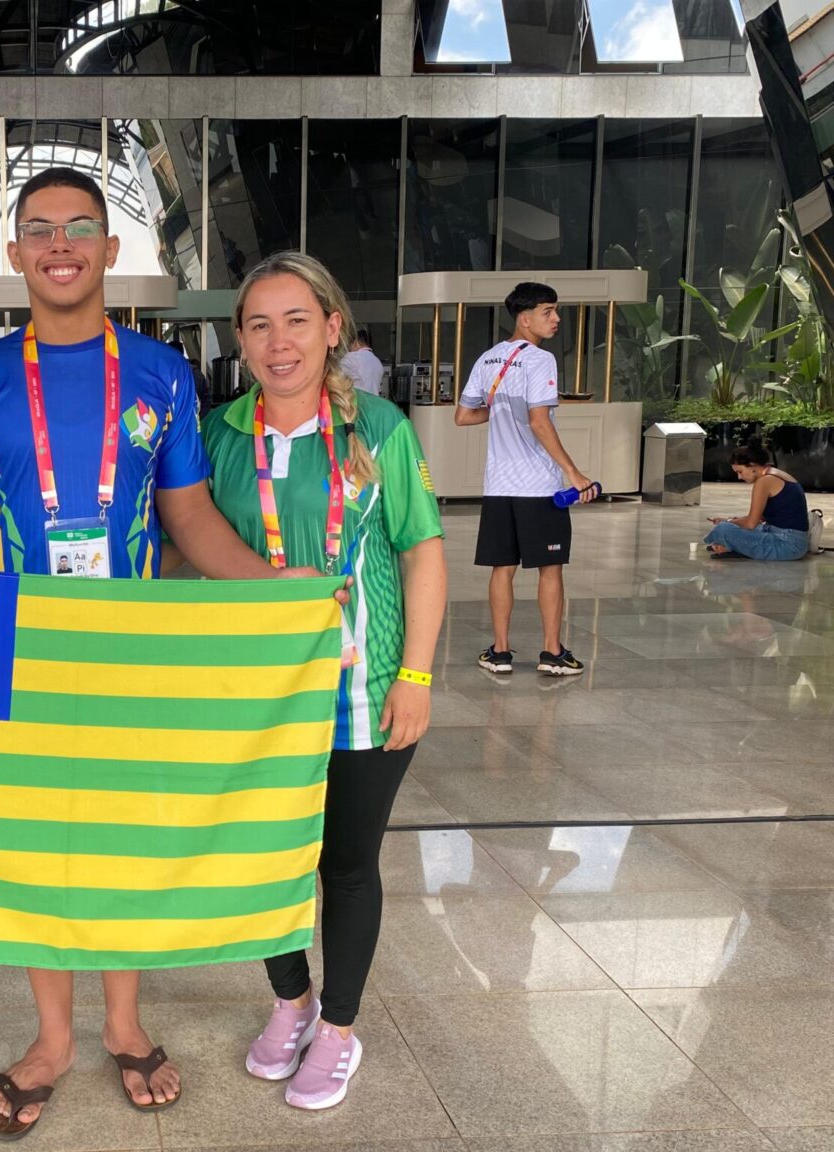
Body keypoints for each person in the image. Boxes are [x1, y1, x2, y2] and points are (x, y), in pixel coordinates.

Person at [0, 167, 326, 1140]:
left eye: (82, 226)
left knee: (124, 833)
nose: (61, 243)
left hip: (131, 647)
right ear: (17, 252)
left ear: (113, 251)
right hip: (20, 644)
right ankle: (53, 1039)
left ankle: (123, 1024)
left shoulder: (160, 372)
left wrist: (269, 590)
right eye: (40, 228)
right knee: (42, 842)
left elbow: (190, 517)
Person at [200, 252, 447, 1110]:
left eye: (297, 320)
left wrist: (415, 674)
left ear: (332, 326)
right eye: (259, 325)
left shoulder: (378, 427)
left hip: (366, 692)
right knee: (268, 861)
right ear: (239, 339)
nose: (279, 342)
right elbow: (188, 548)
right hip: (262, 697)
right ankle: (291, 1001)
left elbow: (421, 552)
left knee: (345, 864)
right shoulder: (218, 436)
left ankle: (338, 1027)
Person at [454, 282, 593, 676]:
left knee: (503, 567)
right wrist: (572, 471)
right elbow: (539, 421)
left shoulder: (487, 359)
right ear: (524, 317)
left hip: (498, 485)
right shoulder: (539, 360)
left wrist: (499, 410)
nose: (556, 319)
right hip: (537, 486)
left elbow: (463, 415)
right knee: (550, 568)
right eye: (548, 311)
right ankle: (552, 654)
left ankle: (499, 653)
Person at [704, 442, 812, 560]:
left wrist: (727, 523)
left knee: (724, 529)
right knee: (733, 525)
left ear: (752, 466)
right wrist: (731, 520)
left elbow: (751, 524)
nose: (739, 477)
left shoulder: (764, 481)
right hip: (792, 540)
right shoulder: (774, 473)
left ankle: (732, 546)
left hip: (787, 545)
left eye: (740, 472)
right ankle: (733, 545)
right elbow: (761, 519)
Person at [339, 327, 384, 396]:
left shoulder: (350, 358)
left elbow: (335, 379)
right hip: (374, 403)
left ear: (355, 343)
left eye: (350, 346)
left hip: (356, 404)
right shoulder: (377, 362)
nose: (349, 349)